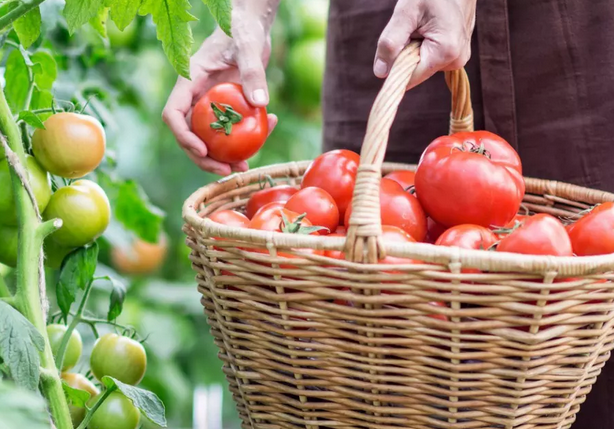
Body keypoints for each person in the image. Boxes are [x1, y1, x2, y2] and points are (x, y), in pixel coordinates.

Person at [163, 1, 614, 427]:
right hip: (386, 31)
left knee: (579, 353)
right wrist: (248, 14)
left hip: (565, 43)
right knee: (356, 333)